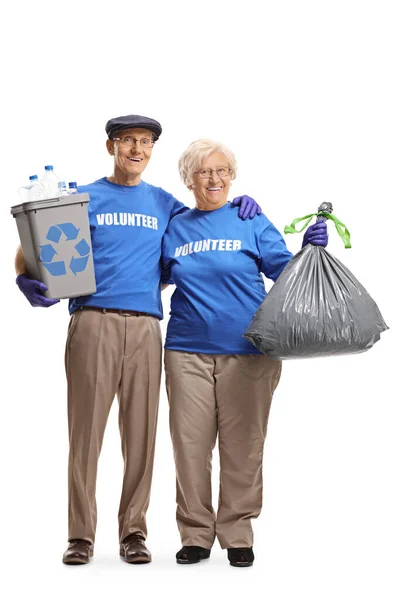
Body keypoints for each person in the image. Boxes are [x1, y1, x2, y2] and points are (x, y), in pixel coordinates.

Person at [14, 115, 263, 565]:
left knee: (141, 437)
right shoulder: (84, 196)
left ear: (152, 150)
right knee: (85, 434)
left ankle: (133, 532)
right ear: (110, 146)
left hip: (148, 327)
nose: (136, 148)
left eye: (145, 142)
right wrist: (24, 278)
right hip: (92, 321)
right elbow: (31, 243)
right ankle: (81, 536)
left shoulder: (165, 204)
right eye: (127, 140)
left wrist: (240, 204)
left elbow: (204, 222)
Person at [161, 139, 328, 567]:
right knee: (190, 446)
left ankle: (237, 532)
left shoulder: (249, 219)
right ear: (188, 179)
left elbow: (284, 273)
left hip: (249, 352)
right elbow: (152, 276)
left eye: (222, 170)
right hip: (185, 351)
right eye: (203, 171)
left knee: (243, 445)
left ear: (232, 176)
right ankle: (196, 533)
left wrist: (310, 250)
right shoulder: (175, 225)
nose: (214, 179)